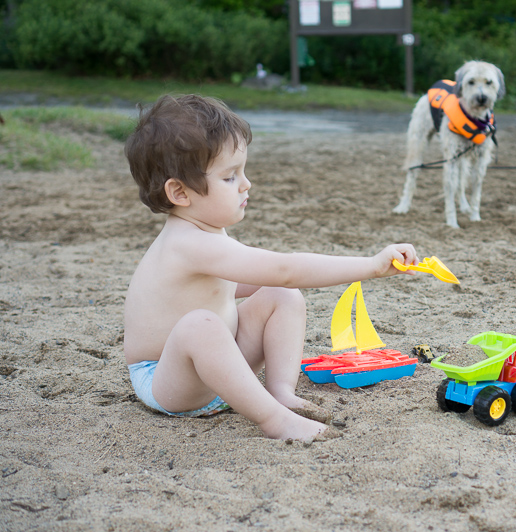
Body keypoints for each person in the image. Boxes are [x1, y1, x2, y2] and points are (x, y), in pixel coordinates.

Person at [123, 95, 418, 442]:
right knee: (200, 325)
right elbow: (284, 268)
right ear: (180, 193)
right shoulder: (188, 243)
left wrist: (276, 284)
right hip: (168, 381)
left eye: (242, 171)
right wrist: (370, 266)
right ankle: (274, 418)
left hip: (218, 368)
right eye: (230, 177)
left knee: (281, 294)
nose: (246, 184)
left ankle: (281, 391)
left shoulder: (206, 232)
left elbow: (254, 283)